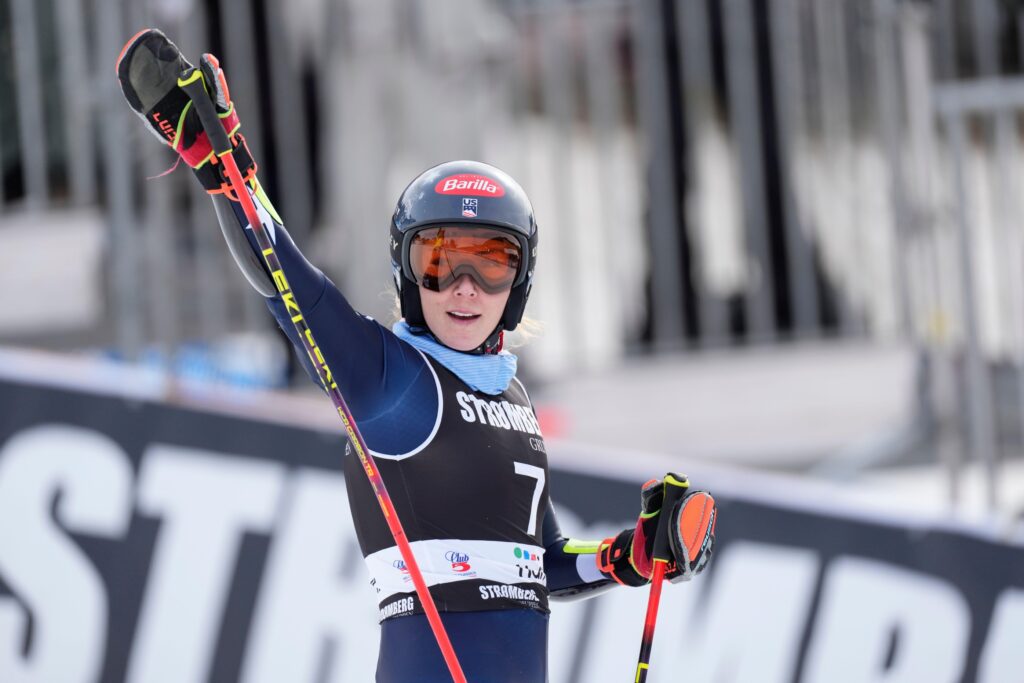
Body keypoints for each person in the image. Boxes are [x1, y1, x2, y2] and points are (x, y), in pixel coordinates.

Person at [116, 29, 717, 683]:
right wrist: (225, 170)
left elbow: (536, 564)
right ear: (407, 274)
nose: (465, 287)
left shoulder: (511, 398)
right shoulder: (389, 380)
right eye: (439, 262)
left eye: (491, 263)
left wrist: (629, 556)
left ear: (519, 283)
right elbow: (289, 285)